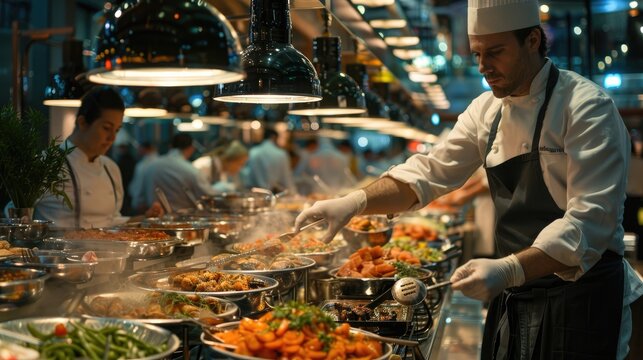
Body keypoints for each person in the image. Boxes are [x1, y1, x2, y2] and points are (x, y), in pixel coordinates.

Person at [294, 0, 643, 358]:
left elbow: (590, 223)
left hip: (582, 299)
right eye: (476, 53)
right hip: (517, 295)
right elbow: (429, 171)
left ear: (533, 40)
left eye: (495, 52)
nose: (483, 67)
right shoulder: (486, 111)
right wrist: (355, 202)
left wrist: (508, 269)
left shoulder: (586, 108)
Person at [34, 86, 163, 228]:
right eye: (106, 128)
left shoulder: (111, 168)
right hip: (57, 249)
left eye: (117, 130)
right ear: (82, 122)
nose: (112, 137)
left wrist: (145, 218)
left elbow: (111, 221)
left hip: (106, 249)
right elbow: (19, 214)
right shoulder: (46, 163)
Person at [140, 133, 215, 211]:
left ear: (170, 146)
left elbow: (139, 198)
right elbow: (209, 195)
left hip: (154, 219)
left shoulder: (150, 166)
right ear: (191, 148)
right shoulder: (191, 170)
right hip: (184, 220)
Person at [245, 128, 295, 193]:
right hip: (273, 193)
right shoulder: (281, 154)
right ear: (274, 137)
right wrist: (293, 193)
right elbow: (286, 178)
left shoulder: (253, 152)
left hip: (255, 194)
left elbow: (247, 176)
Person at [129, 142, 159, 214]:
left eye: (140, 148)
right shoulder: (160, 162)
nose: (138, 150)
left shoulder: (143, 165)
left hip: (144, 204)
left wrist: (138, 201)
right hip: (158, 202)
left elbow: (139, 185)